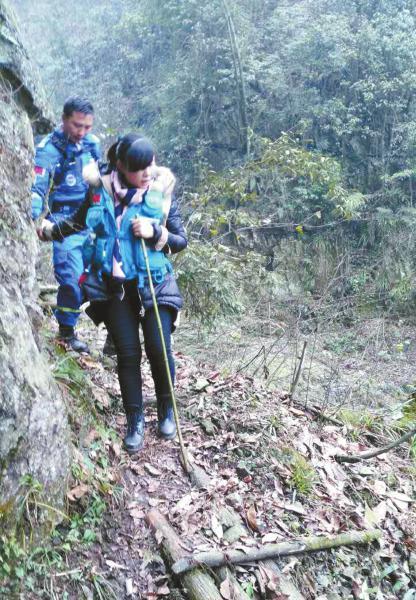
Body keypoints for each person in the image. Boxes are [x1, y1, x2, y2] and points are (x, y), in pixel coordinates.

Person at [38, 134, 187, 454]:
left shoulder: (160, 189)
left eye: (150, 164)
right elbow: (78, 223)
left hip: (154, 282)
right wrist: (50, 230)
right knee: (128, 353)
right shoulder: (99, 191)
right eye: (138, 168)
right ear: (120, 166)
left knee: (159, 348)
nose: (147, 172)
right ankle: (135, 419)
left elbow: (180, 240)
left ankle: (167, 409)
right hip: (116, 288)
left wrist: (156, 232)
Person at [32, 96, 101, 352]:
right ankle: (67, 332)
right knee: (70, 278)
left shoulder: (92, 145)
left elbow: (103, 181)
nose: (81, 132)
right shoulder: (49, 148)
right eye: (76, 125)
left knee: (109, 277)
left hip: (95, 218)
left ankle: (115, 339)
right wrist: (31, 216)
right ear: (63, 120)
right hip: (65, 221)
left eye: (87, 127)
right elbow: (37, 189)